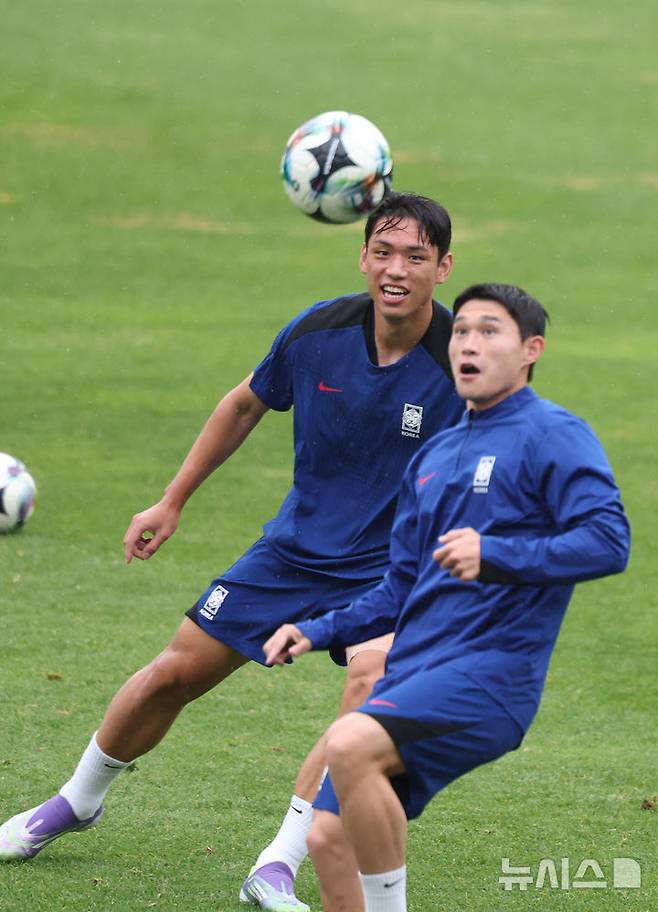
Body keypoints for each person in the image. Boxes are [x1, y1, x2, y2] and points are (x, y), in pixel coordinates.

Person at [0, 193, 465, 909]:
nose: (396, 270)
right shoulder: (317, 332)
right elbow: (245, 402)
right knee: (170, 676)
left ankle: (277, 862)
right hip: (294, 551)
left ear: (444, 267)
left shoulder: (463, 363)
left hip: (392, 570)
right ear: (362, 254)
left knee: (371, 679)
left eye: (415, 257)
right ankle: (75, 801)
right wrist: (172, 499)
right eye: (383, 252)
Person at [263, 282, 631, 912]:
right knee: (328, 840)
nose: (468, 343)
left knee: (349, 744)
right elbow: (399, 587)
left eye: (490, 331)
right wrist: (317, 630)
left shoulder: (553, 434)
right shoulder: (433, 456)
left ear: (530, 350)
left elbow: (608, 540)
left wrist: (497, 554)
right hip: (416, 675)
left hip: (489, 678)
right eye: (461, 331)